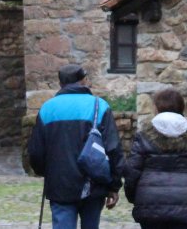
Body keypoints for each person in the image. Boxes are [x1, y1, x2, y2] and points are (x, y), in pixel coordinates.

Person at [28, 63, 124, 229]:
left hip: (60, 185)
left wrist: (47, 172)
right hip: (94, 183)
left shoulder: (47, 109)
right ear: (84, 81)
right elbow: (113, 149)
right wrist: (113, 186)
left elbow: (36, 152)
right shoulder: (99, 106)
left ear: (61, 84)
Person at [124, 87, 187, 229]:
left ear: (157, 108)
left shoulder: (144, 133)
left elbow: (131, 171)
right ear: (182, 107)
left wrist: (134, 196)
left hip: (151, 203)